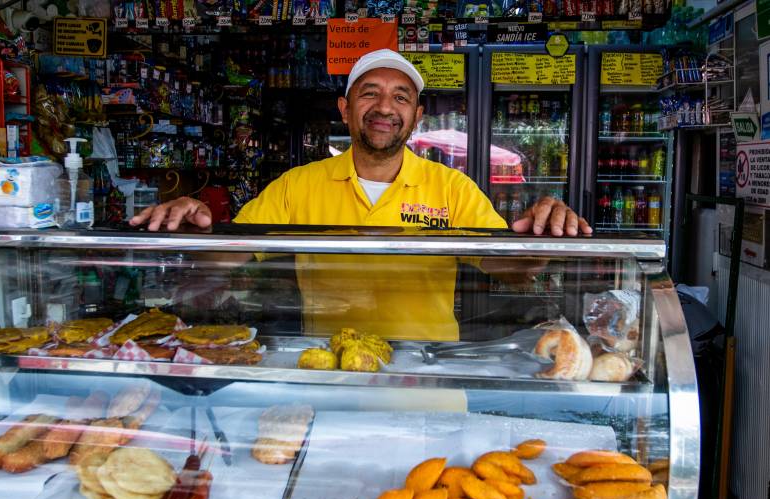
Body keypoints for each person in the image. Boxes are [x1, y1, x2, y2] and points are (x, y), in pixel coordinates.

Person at [131, 49, 592, 341]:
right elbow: (224, 259)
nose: (385, 107)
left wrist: (539, 235)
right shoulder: (297, 185)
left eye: (401, 97)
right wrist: (194, 230)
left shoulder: (452, 188)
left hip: (423, 377)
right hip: (330, 370)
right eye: (369, 94)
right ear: (345, 109)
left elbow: (511, 268)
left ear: (416, 116)